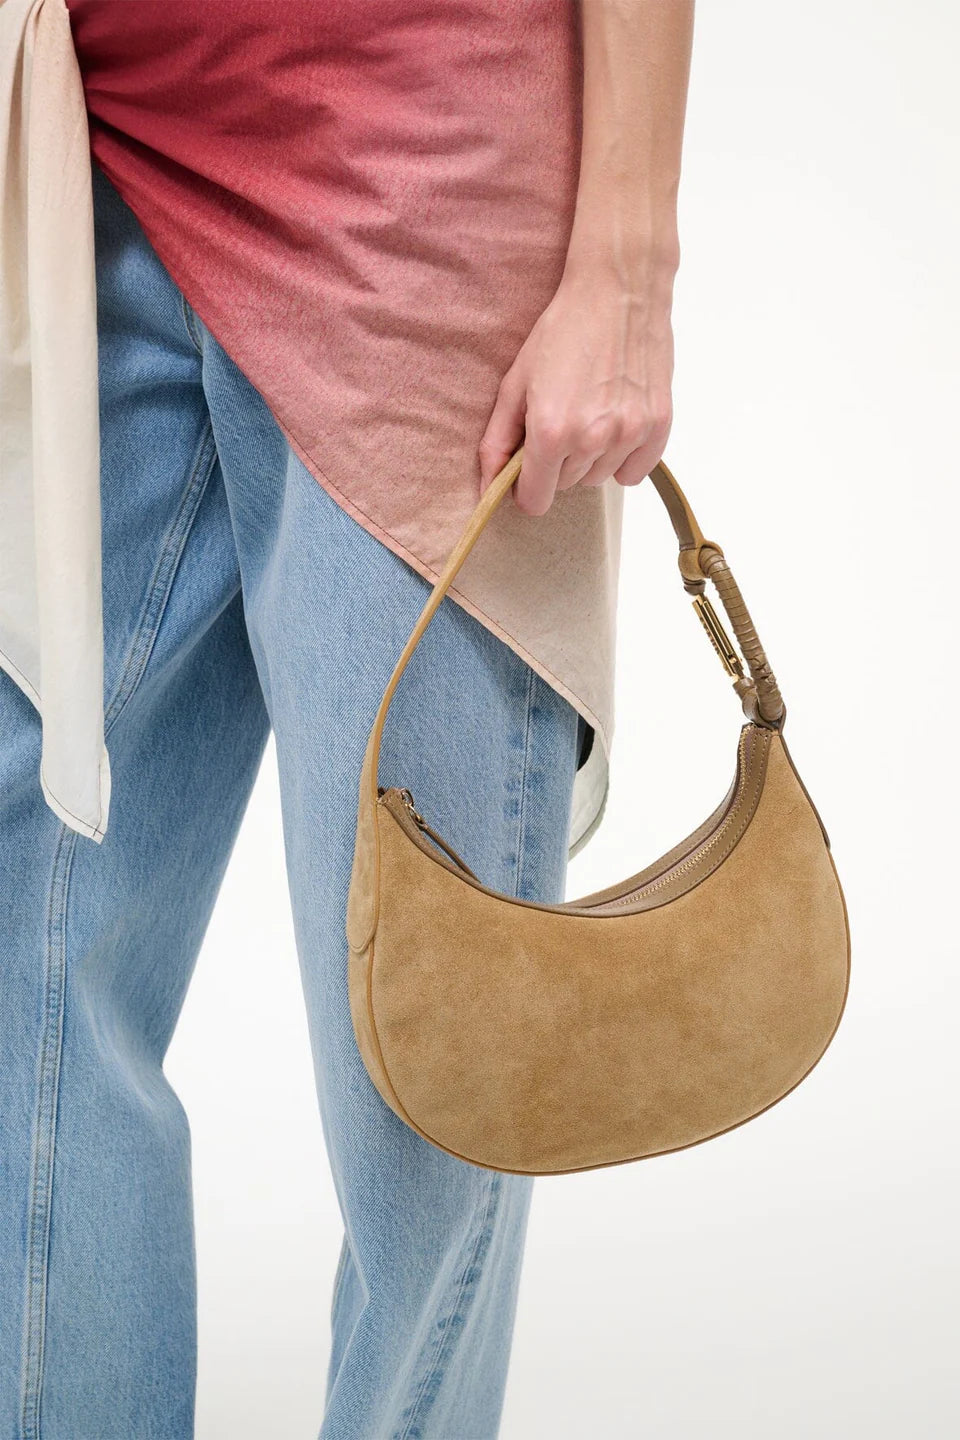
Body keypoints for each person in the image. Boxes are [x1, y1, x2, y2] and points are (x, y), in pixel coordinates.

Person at [0, 1, 694, 1434]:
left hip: (411, 184)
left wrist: (627, 264)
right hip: (94, 163)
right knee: (24, 958)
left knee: (433, 1051)